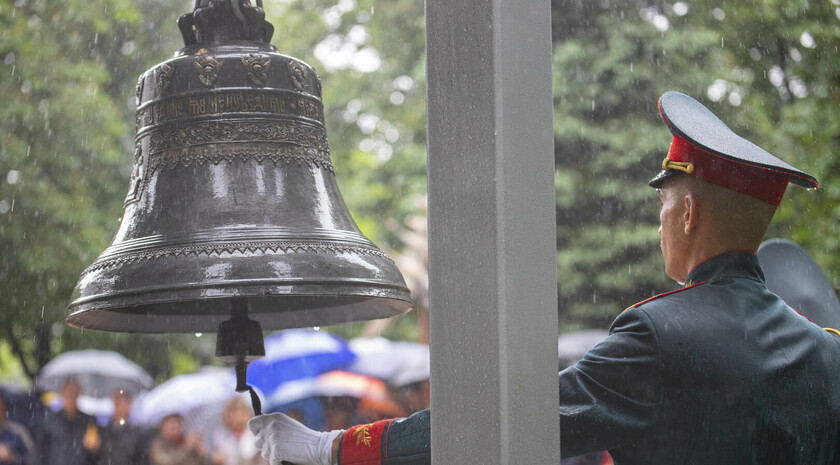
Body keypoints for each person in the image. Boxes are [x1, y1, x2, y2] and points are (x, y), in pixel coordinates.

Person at [248, 91, 840, 464]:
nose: (661, 225)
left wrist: (332, 448)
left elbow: (509, 425)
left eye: (664, 208)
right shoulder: (828, 354)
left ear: (688, 213)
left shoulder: (660, 334)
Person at [37, 379, 100, 465]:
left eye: (74, 393)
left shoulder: (89, 421)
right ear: (62, 394)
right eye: (68, 393)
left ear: (79, 394)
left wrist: (94, 450)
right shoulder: (50, 420)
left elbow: (97, 455)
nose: (71, 397)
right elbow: (41, 450)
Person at [98, 390, 152, 465]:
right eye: (117, 404)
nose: (119, 408)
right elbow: (99, 456)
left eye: (122, 404)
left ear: (129, 405)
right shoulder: (104, 431)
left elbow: (143, 457)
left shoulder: (139, 433)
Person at [209, 397, 265, 465]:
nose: (233, 417)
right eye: (230, 413)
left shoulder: (255, 433)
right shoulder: (220, 434)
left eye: (236, 413)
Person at [0, 396, 33, 465]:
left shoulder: (17, 432)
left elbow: (32, 458)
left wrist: (11, 457)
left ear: (5, 410)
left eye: (0, 409)